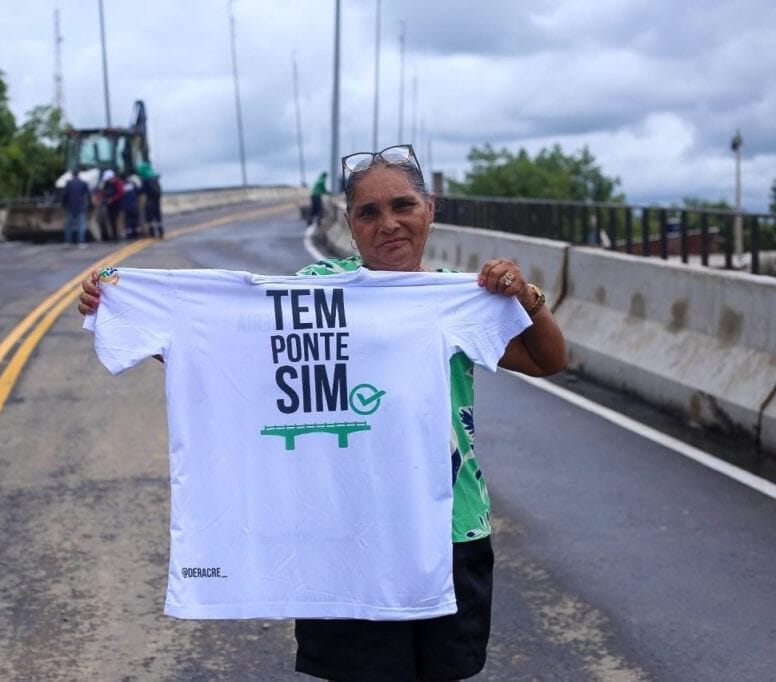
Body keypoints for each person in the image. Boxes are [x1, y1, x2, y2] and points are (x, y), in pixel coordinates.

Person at [77, 143, 566, 681]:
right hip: (343, 531)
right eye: (369, 212)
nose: (389, 224)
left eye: (403, 206)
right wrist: (122, 310)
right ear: (349, 223)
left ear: (431, 208)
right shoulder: (314, 292)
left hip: (449, 529)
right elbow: (225, 352)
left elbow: (548, 360)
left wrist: (526, 297)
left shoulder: (455, 295)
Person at [61, 169, 91, 245]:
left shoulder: (69, 183)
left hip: (71, 206)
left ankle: (68, 241)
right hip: (80, 206)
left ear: (72, 175)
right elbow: (88, 194)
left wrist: (63, 205)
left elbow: (65, 195)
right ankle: (81, 241)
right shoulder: (83, 183)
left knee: (69, 225)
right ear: (78, 174)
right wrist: (90, 205)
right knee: (81, 225)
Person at [96, 170, 125, 242]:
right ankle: (113, 235)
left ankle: (118, 235)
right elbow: (102, 192)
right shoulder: (106, 183)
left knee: (117, 220)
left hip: (117, 204)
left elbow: (120, 193)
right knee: (111, 221)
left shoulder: (118, 183)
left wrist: (112, 199)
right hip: (108, 205)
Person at [138, 161, 164, 238]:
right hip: (156, 200)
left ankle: (152, 233)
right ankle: (160, 232)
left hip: (149, 201)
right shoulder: (154, 177)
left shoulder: (144, 180)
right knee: (158, 217)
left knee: (150, 218)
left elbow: (143, 192)